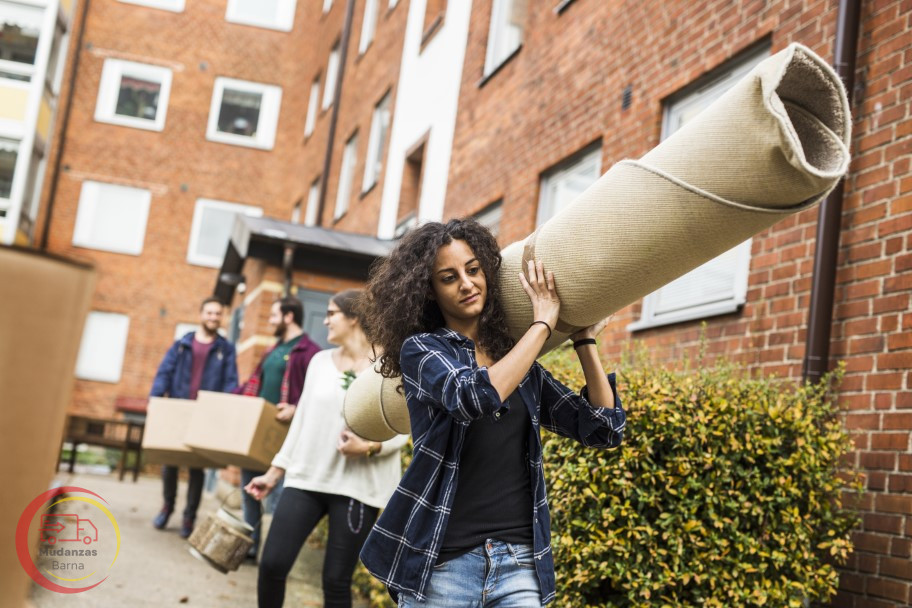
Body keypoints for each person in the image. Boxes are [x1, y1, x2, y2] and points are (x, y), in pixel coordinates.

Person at [358, 219, 627, 606]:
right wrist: (543, 324)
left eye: (473, 270)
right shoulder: (423, 351)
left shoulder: (517, 364)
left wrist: (583, 338)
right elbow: (474, 397)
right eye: (449, 278)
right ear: (430, 292)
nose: (467, 284)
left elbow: (603, 429)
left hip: (518, 564)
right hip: (444, 565)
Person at [245, 289, 409, 608]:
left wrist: (370, 446)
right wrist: (274, 472)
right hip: (307, 478)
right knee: (271, 565)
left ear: (354, 318)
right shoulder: (319, 362)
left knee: (335, 581)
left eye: (332, 313)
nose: (325, 320)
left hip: (357, 489)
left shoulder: (390, 365)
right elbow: (301, 421)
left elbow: (405, 427)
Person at [236, 296, 322, 557]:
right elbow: (253, 382)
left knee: (277, 497)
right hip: (257, 430)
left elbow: (316, 393)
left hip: (285, 436)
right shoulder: (272, 349)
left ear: (288, 317)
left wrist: (295, 407)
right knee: (250, 489)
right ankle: (249, 548)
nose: (270, 321)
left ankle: (274, 553)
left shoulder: (310, 352)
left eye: (274, 316)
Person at [150, 296, 238, 538]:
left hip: (205, 415)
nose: (213, 317)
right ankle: (167, 507)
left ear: (222, 318)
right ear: (201, 314)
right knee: (170, 464)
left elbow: (231, 382)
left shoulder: (225, 349)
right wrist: (155, 401)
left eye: (217, 314)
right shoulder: (182, 344)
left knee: (197, 469)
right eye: (209, 313)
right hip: (179, 410)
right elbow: (164, 373)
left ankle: (189, 516)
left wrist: (227, 407)